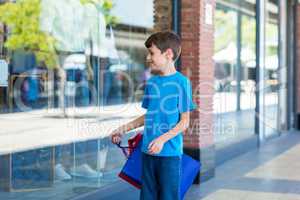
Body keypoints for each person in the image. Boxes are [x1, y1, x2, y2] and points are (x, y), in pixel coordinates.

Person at [110, 31, 197, 200]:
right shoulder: (151, 83)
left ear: (168, 54)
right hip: (147, 152)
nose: (148, 58)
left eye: (152, 53)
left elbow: (184, 122)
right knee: (147, 196)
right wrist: (122, 129)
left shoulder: (181, 83)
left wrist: (162, 139)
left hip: (169, 155)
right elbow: (148, 115)